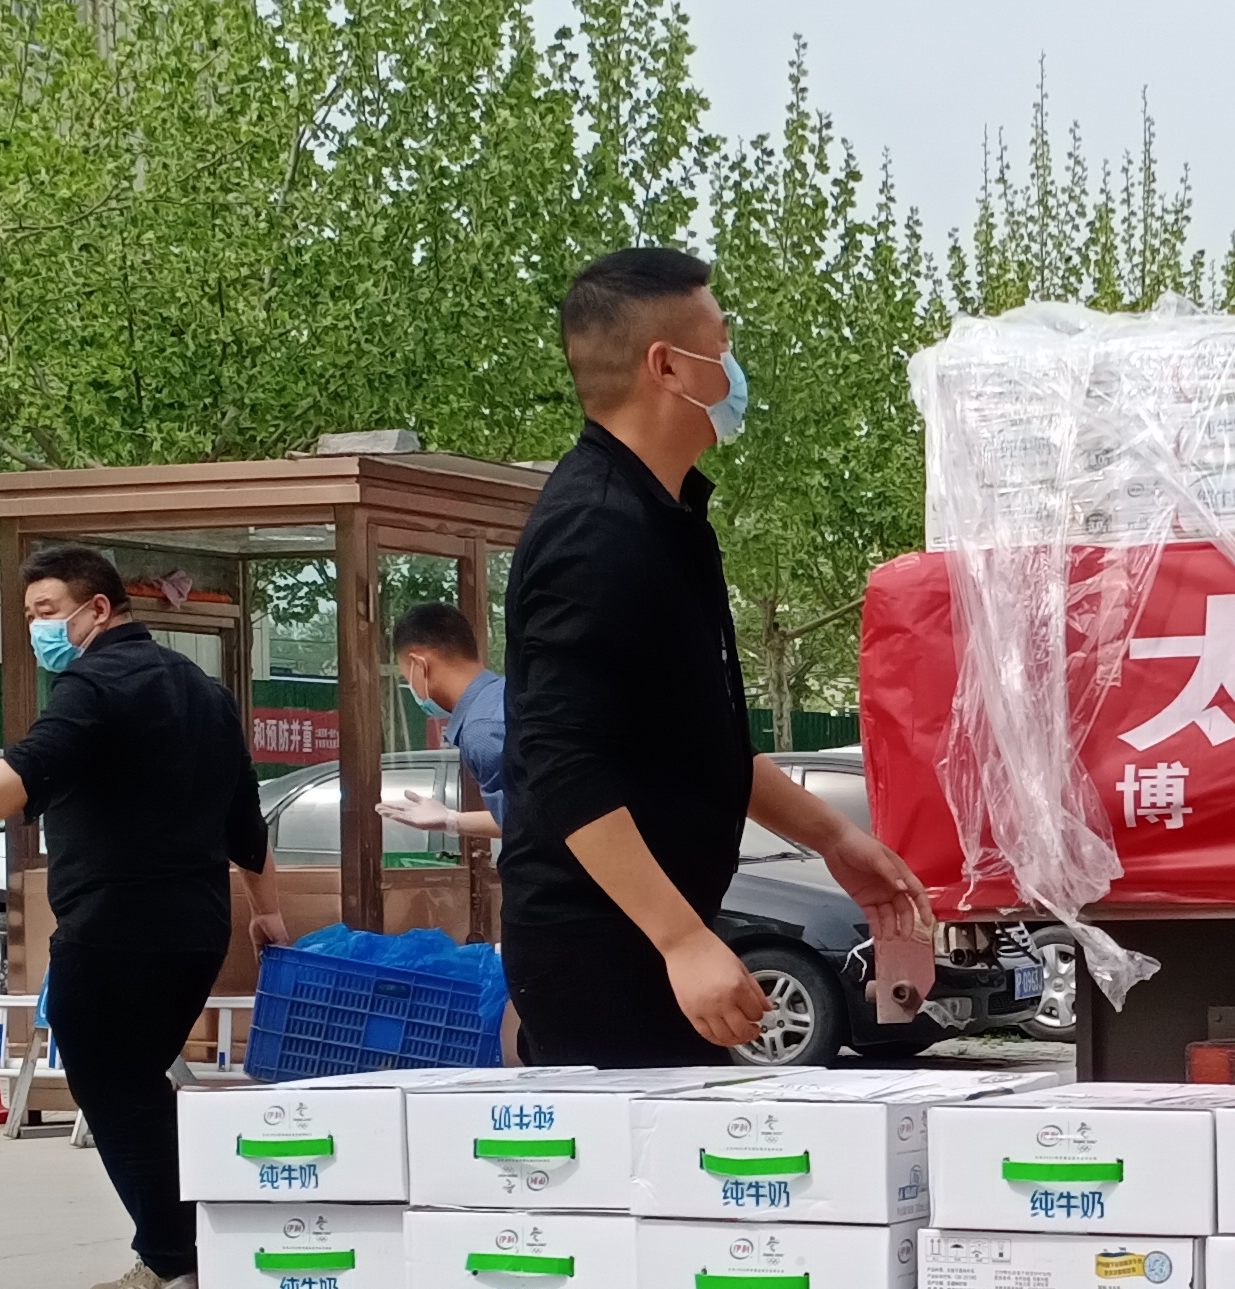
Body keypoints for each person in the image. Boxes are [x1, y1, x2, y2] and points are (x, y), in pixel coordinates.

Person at [502, 244, 933, 1064]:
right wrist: (680, 940)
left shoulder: (662, 520)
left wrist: (836, 839)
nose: (734, 367)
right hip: (603, 945)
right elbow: (561, 761)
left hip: (653, 930)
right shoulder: (595, 530)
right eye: (724, 343)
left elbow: (697, 746)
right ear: (668, 366)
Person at [0, 544, 278, 1289]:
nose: (38, 628)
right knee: (138, 1080)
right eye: (29, 615)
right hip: (196, 927)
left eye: (48, 611)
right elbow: (244, 819)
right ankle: (198, 1242)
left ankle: (171, 1258)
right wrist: (269, 910)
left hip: (116, 925)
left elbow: (29, 769)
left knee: (111, 1081)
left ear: (98, 609)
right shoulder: (203, 691)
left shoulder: (94, 684)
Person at [387, 600, 507, 852]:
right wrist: (453, 820)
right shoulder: (504, 695)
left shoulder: (482, 730)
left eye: (406, 677)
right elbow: (522, 817)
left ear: (419, 665)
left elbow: (538, 830)